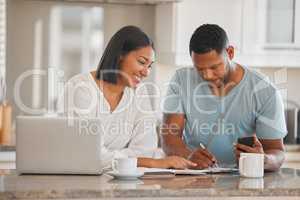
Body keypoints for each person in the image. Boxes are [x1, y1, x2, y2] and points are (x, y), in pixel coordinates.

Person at [57, 26, 196, 170]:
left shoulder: (139, 94)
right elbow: (88, 156)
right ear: (120, 55)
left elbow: (146, 151)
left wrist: (111, 157)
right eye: (142, 62)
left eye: (150, 66)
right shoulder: (80, 88)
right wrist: (151, 162)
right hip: (78, 179)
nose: (146, 72)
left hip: (123, 181)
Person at [161, 24, 287, 171]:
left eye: (214, 67)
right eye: (200, 69)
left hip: (241, 177)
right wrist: (189, 155)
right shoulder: (181, 80)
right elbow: (169, 139)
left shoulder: (264, 90)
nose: (207, 75)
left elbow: (277, 152)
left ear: (230, 52)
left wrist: (264, 160)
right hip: (194, 175)